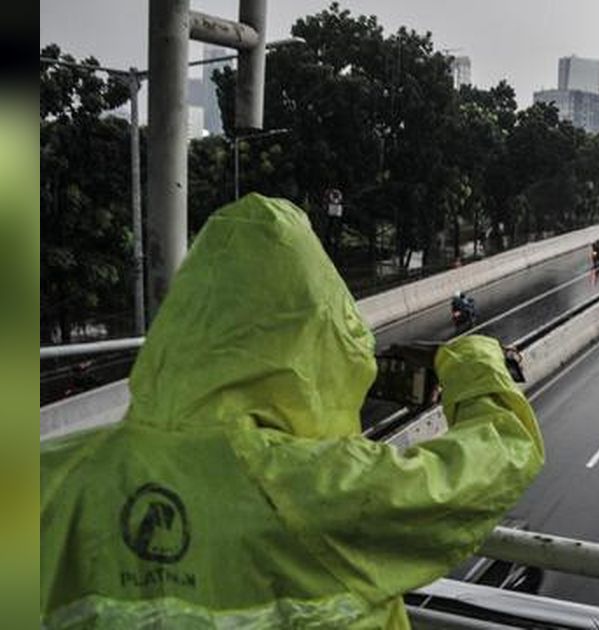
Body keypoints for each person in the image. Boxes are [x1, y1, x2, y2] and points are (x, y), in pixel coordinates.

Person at [40, 194, 545, 629]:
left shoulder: (55, 481)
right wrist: (478, 363)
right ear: (319, 342)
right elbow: (498, 458)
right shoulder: (319, 490)